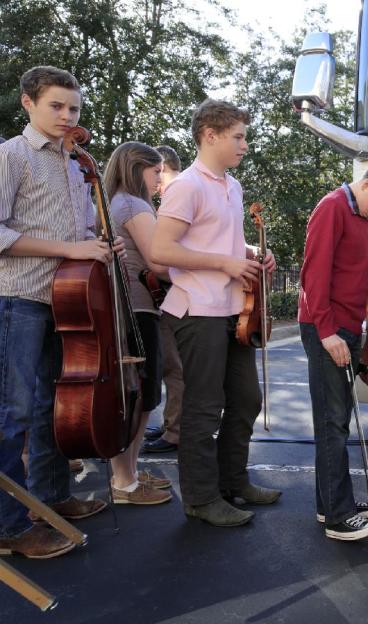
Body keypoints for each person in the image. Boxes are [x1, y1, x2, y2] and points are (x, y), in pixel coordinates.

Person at [0, 66, 112, 559]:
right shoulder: (11, 156)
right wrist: (70, 247)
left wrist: (97, 244)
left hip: (65, 303)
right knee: (13, 414)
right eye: (57, 107)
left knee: (51, 405)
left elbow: (82, 232)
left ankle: (50, 500)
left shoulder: (75, 165)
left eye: (75, 109)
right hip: (18, 299)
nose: (68, 117)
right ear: (28, 103)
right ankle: (8, 526)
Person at [151, 98, 280, 528]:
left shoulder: (231, 185)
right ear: (210, 135)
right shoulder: (187, 185)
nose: (245, 145)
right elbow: (161, 250)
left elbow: (222, 243)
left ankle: (234, 482)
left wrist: (254, 254)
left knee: (246, 399)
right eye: (238, 136)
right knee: (204, 408)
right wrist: (227, 264)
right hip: (197, 309)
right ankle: (201, 499)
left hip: (231, 311)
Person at [299, 162, 368, 541]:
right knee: (332, 421)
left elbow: (344, 273)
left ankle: (330, 502)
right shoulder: (333, 207)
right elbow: (313, 274)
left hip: (343, 325)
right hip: (326, 329)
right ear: (366, 184)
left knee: (337, 418)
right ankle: (337, 516)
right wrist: (327, 333)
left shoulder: (356, 214)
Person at [102, 141, 175, 504]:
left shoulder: (119, 201)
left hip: (135, 308)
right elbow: (160, 262)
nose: (160, 179)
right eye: (156, 171)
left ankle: (129, 470)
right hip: (136, 310)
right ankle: (124, 481)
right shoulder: (132, 203)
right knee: (136, 397)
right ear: (137, 169)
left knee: (142, 396)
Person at [142, 144, 183, 454]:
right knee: (171, 366)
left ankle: (175, 430)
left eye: (158, 173)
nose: (155, 182)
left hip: (175, 296)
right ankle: (172, 423)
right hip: (168, 295)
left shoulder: (176, 194)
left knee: (174, 367)